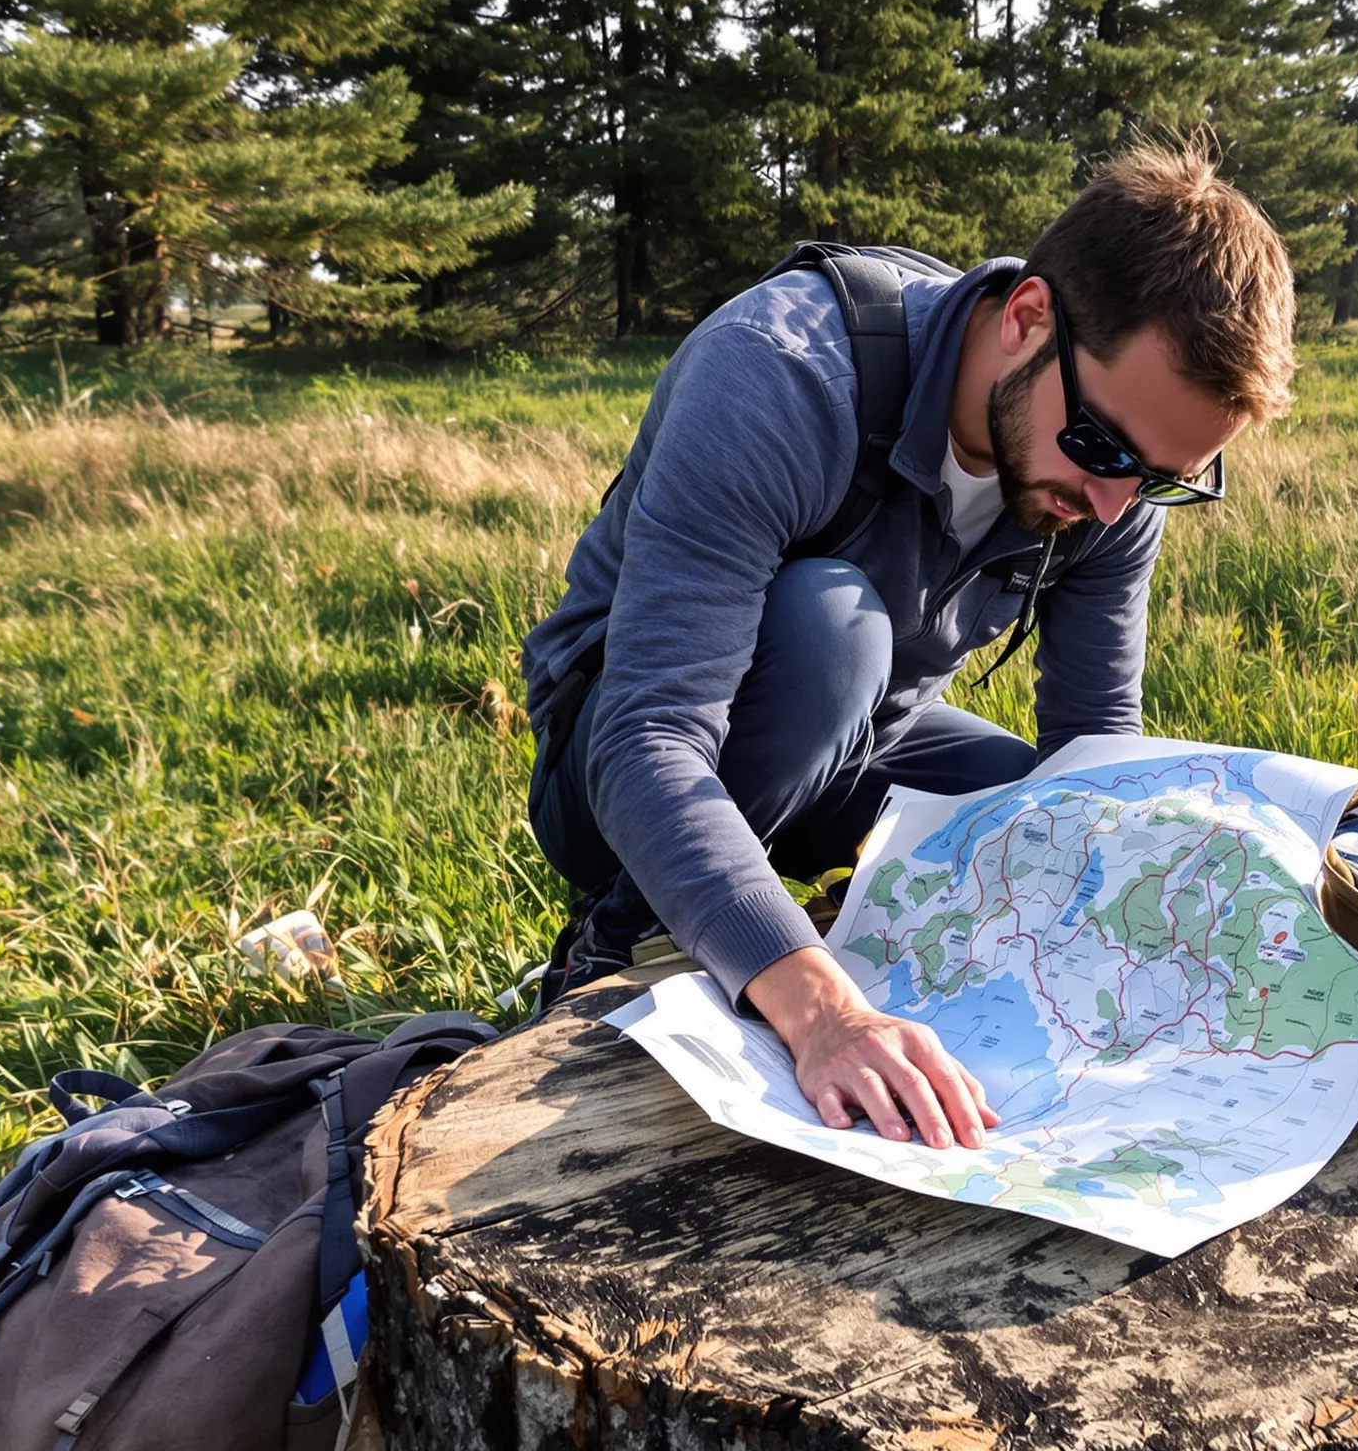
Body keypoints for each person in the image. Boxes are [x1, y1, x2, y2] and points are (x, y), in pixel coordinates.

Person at [522, 139, 1296, 1152]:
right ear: (1027, 317)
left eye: (1158, 479)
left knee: (1040, 811)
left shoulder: (1111, 473)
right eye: (1103, 451)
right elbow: (646, 737)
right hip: (619, 770)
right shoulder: (779, 373)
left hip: (863, 733)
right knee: (831, 625)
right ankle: (618, 940)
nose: (1112, 507)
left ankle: (797, 921)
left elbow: (1092, 744)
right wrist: (824, 1013)